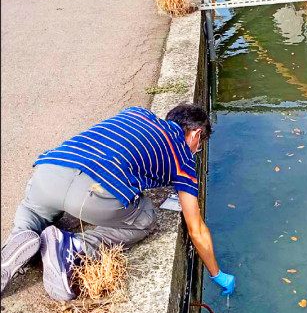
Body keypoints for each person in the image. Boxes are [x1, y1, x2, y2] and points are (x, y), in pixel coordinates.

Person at [1, 103, 235, 301]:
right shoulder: (183, 160)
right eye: (199, 146)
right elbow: (196, 229)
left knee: (33, 210)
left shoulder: (136, 113)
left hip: (51, 169)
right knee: (146, 218)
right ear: (195, 134)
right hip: (93, 191)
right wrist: (217, 274)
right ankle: (73, 247)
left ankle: (21, 234)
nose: (196, 151)